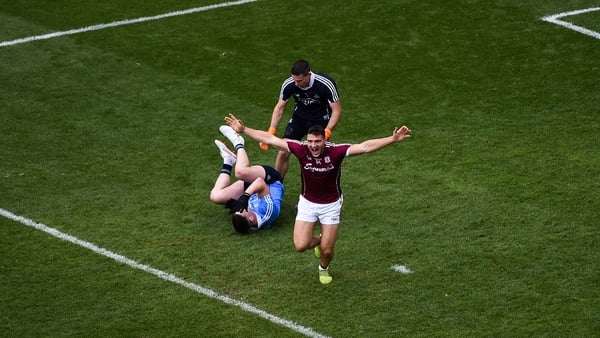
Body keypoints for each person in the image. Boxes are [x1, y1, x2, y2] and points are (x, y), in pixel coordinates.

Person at [222, 114, 411, 284]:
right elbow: (271, 139)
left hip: (331, 205)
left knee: (328, 251)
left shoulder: (335, 152)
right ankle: (320, 240)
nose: (313, 145)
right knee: (300, 245)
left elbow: (364, 147)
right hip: (308, 204)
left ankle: (323, 268)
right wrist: (244, 130)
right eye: (310, 141)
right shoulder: (301, 149)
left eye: (317, 141)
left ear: (324, 141)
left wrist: (393, 139)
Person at [261, 59, 343, 178]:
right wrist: (271, 131)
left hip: (320, 121)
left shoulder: (325, 84)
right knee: (283, 152)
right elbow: (280, 107)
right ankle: (276, 186)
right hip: (299, 119)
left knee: (322, 157)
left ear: (308, 75)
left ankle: (327, 188)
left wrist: (328, 130)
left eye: (300, 81)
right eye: (294, 80)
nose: (296, 84)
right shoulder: (289, 84)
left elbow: (337, 110)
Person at [209, 126, 285, 234]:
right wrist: (244, 197)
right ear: (251, 218)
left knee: (215, 196)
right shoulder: (268, 211)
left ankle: (228, 160)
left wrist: (237, 201)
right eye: (241, 209)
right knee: (240, 172)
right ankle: (239, 142)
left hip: (253, 189)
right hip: (270, 181)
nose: (240, 207)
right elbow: (260, 182)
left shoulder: (251, 217)